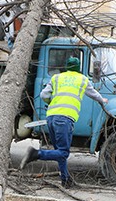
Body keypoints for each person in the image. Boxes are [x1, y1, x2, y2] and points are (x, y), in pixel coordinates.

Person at [19, 57, 108, 188]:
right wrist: (103, 101)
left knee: (59, 152)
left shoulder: (56, 78)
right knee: (64, 152)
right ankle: (36, 154)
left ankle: (65, 180)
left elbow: (44, 95)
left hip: (51, 117)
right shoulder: (82, 79)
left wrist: (51, 103)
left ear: (67, 67)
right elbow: (94, 94)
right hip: (65, 119)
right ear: (78, 68)